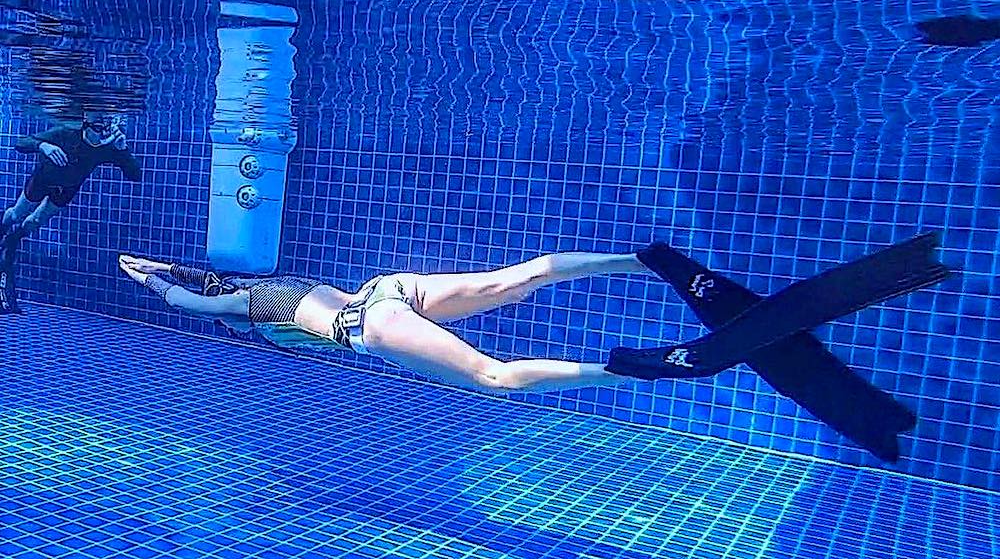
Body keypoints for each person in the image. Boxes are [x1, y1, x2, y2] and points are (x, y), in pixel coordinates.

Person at [118, 233, 949, 411]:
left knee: (495, 377)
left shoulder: (247, 304)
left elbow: (197, 299)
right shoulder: (271, 282)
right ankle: (642, 260)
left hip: (367, 329)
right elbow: (203, 283)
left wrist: (162, 288)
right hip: (387, 288)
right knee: (517, 281)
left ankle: (639, 366)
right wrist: (162, 268)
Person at [1, 113, 142, 246]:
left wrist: (123, 149)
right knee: (16, 215)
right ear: (85, 125)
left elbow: (135, 175)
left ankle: (13, 239)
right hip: (43, 180)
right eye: (98, 128)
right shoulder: (66, 133)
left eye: (107, 128)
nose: (102, 135)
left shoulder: (108, 147)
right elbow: (20, 143)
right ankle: (2, 229)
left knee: (36, 221)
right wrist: (42, 145)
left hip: (68, 188)